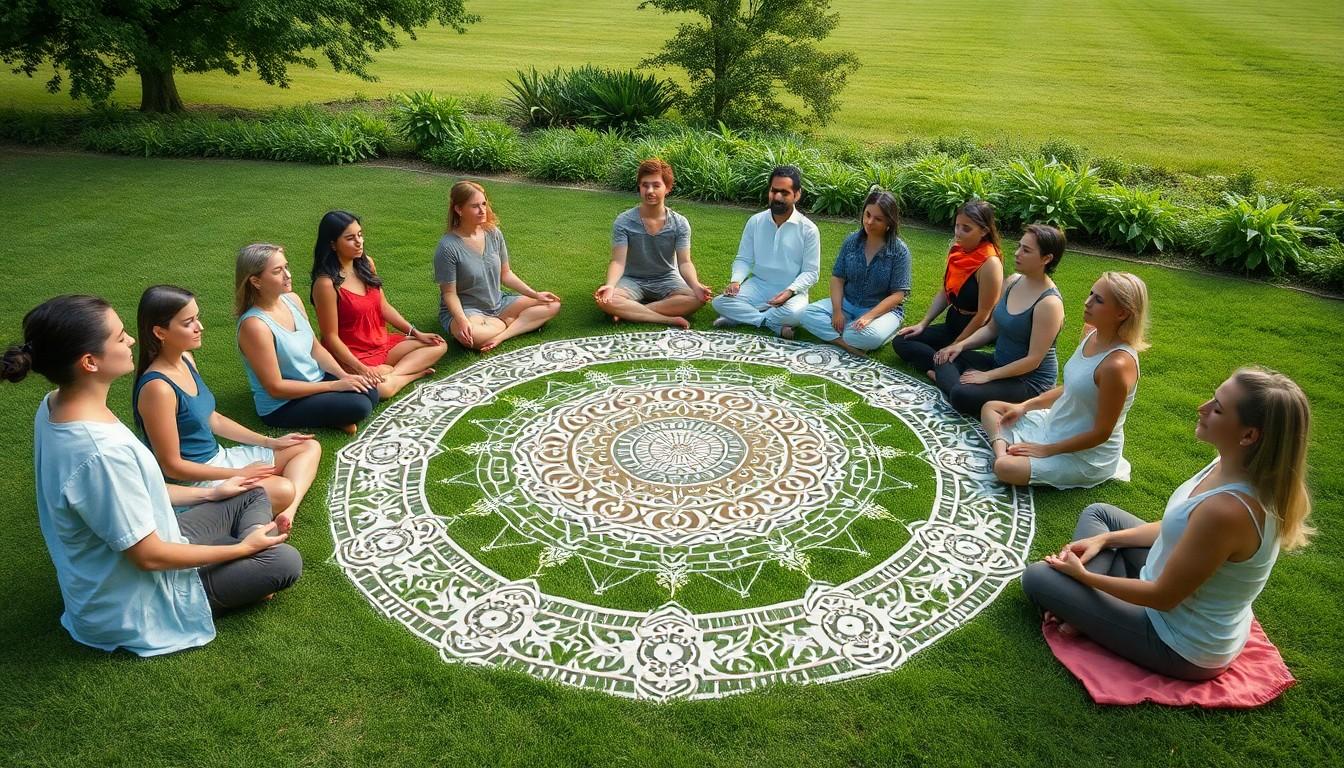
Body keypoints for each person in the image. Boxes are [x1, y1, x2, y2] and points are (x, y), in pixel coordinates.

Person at [3, 295, 301, 656]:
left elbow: (142, 490)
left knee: (252, 492)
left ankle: (245, 552)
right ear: (89, 362)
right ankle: (246, 555)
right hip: (137, 600)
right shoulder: (101, 453)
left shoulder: (55, 403)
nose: (131, 340)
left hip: (158, 536)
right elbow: (148, 556)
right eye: (120, 337)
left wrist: (212, 493)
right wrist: (241, 549)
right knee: (285, 561)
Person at [1022, 367, 1313, 681]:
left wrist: (1084, 577)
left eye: (1217, 409)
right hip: (1167, 587)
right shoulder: (1230, 463)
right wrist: (1105, 540)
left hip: (1178, 641)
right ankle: (1083, 607)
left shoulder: (1228, 511)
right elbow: (1178, 526)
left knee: (1037, 577)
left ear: (1249, 436)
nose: (1202, 408)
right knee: (1100, 516)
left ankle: (1080, 606)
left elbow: (1163, 597)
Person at [133, 285, 321, 532]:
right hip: (196, 483)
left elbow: (213, 419)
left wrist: (270, 442)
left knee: (307, 446)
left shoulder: (186, 359)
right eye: (188, 322)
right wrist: (238, 473)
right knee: (283, 489)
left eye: (197, 317)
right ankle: (249, 513)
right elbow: (172, 466)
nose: (200, 327)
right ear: (160, 332)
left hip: (219, 459)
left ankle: (287, 512)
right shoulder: (158, 388)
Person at [982, 272, 1149, 488]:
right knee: (991, 408)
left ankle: (1004, 458)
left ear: (1122, 313)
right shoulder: (1091, 334)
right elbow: (1070, 388)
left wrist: (1046, 450)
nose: (1087, 302)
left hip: (1085, 455)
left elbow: (1101, 433)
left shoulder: (1116, 366)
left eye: (1098, 300)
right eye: (1091, 294)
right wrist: (1024, 406)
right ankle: (1003, 453)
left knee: (1005, 468)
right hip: (1056, 423)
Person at [236, 243, 380, 435]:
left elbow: (315, 348)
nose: (288, 275)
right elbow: (276, 388)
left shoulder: (292, 299)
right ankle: (334, 418)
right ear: (256, 281)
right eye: (278, 271)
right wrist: (334, 385)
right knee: (360, 406)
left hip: (315, 380)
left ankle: (335, 417)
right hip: (284, 403)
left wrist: (343, 376)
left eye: (286, 267)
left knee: (370, 391)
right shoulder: (255, 326)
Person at [930, 223, 1067, 415]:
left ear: (1046, 258)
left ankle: (957, 389)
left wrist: (987, 376)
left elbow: (1033, 360)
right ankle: (960, 389)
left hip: (1029, 382)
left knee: (962, 394)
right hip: (999, 363)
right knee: (943, 357)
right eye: (1019, 246)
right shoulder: (1013, 282)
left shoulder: (1049, 304)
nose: (1017, 253)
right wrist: (960, 345)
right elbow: (991, 328)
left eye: (1026, 250)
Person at [310, 210, 446, 398]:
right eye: (350, 238)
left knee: (438, 344)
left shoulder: (366, 264)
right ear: (333, 244)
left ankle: (393, 375)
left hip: (381, 344)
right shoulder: (325, 284)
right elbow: (331, 338)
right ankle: (410, 375)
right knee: (381, 390)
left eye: (360, 235)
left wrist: (416, 333)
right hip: (353, 355)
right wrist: (362, 369)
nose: (359, 242)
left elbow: (383, 307)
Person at [434, 181, 562, 351]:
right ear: (459, 209)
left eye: (484, 204)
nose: (482, 210)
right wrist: (462, 320)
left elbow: (506, 274)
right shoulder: (447, 247)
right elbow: (449, 294)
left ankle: (502, 334)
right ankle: (515, 323)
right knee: (474, 336)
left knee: (552, 304)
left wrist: (535, 294)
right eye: (475, 206)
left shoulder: (493, 233)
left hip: (498, 303)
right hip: (468, 310)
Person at [594, 158, 712, 328]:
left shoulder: (679, 223)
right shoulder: (624, 221)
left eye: (656, 185)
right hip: (632, 279)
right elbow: (618, 262)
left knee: (697, 298)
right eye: (645, 185)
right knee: (606, 300)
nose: (650, 191)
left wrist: (696, 285)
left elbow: (685, 262)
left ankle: (630, 312)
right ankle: (668, 319)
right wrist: (610, 286)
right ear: (639, 187)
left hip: (667, 278)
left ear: (667, 188)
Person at [893, 199, 1003, 375]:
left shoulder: (990, 263)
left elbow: (984, 314)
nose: (958, 232)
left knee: (951, 352)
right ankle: (945, 364)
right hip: (953, 323)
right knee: (901, 340)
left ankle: (946, 363)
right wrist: (923, 323)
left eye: (966, 228)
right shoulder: (958, 250)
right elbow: (946, 291)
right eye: (957, 226)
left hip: (975, 330)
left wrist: (957, 344)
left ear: (984, 231)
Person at [799, 188, 912, 355]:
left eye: (878, 219)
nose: (869, 222)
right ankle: (846, 344)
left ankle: (857, 333)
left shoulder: (899, 251)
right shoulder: (852, 241)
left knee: (871, 336)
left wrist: (869, 317)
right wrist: (837, 311)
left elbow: (898, 295)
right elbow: (838, 278)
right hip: (847, 304)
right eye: (867, 215)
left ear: (889, 222)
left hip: (881, 311)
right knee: (806, 314)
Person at [711, 165, 820, 338]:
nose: (777, 197)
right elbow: (744, 259)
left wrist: (790, 291)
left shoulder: (808, 229)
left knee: (796, 313)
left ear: (797, 195)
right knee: (720, 302)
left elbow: (811, 272)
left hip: (791, 290)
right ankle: (771, 323)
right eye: (773, 191)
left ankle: (739, 317)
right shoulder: (755, 221)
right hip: (758, 285)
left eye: (784, 193)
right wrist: (736, 281)